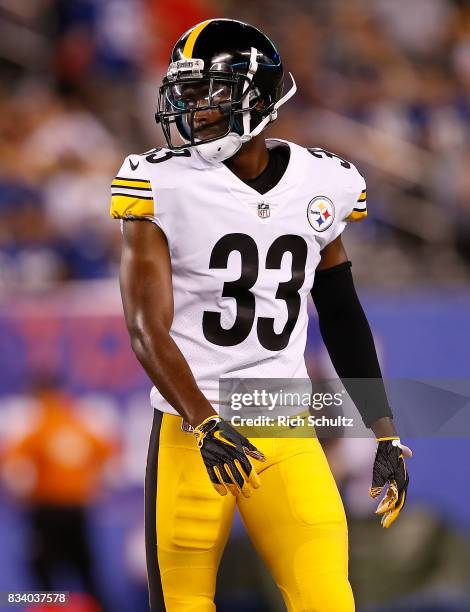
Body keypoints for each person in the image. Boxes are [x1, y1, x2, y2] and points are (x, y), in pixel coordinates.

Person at [110, 18, 412, 612]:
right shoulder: (159, 182)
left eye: (207, 92)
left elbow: (341, 310)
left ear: (258, 97)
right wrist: (203, 422)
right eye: (186, 91)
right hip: (189, 428)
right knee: (182, 604)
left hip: (281, 416)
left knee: (327, 599)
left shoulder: (321, 181)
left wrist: (385, 430)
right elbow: (146, 327)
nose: (191, 108)